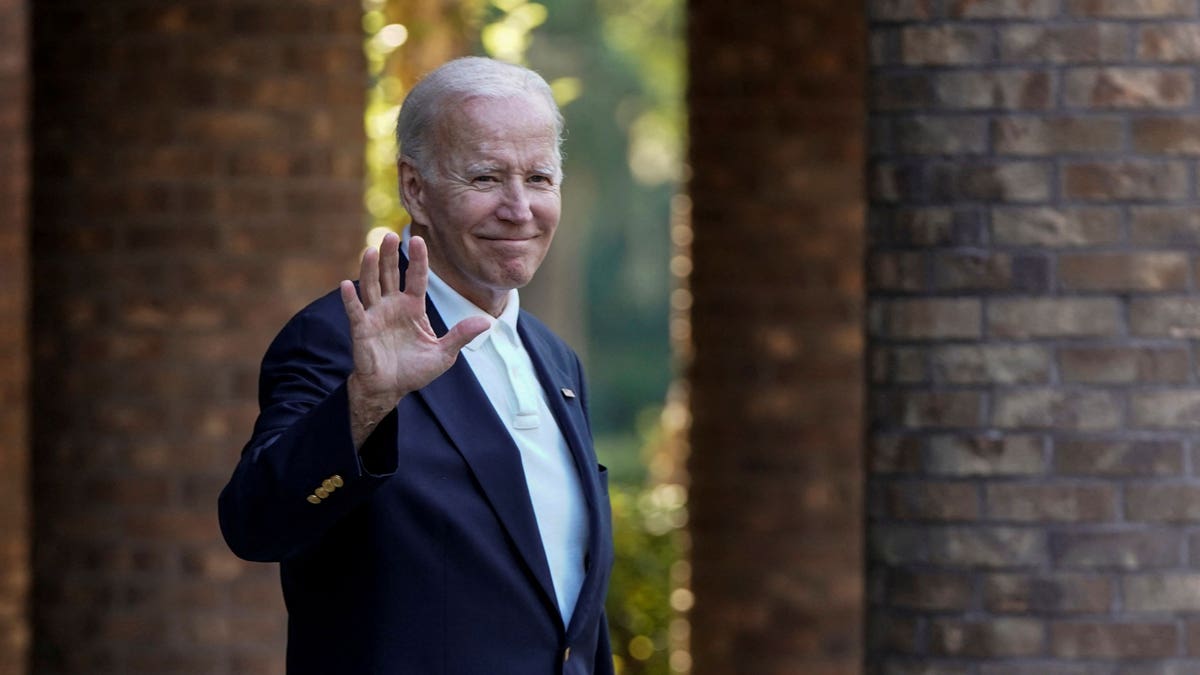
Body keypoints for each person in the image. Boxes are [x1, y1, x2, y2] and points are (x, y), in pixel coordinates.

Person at [218, 56, 614, 675]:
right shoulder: (334, 338)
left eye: (539, 178)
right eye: (486, 178)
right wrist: (367, 402)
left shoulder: (555, 358)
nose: (519, 209)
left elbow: (569, 607)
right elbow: (255, 525)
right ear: (415, 189)